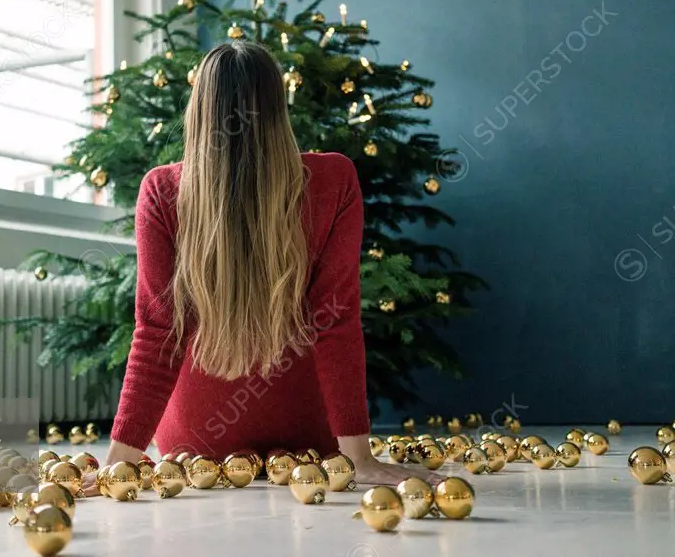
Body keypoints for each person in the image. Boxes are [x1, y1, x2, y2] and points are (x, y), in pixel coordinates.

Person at [86, 41, 442, 492]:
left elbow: (158, 332)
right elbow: (335, 319)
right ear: (278, 106)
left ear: (199, 112)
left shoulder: (161, 189)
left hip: (194, 445)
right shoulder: (333, 179)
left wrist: (119, 464)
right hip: (309, 441)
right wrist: (359, 459)